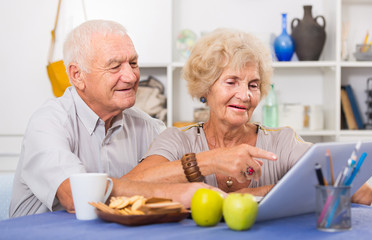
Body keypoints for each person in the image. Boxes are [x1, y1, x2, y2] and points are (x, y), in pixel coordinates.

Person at [126, 28, 372, 205]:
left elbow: (362, 192)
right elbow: (128, 187)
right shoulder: (177, 140)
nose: (244, 95)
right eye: (231, 81)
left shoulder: (282, 142)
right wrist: (210, 161)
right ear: (205, 88)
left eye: (253, 85)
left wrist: (248, 195)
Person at [9, 20, 221, 218]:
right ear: (77, 75)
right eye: (114, 66)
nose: (131, 76)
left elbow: (183, 172)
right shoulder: (47, 122)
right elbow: (76, 196)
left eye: (133, 63)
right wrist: (180, 193)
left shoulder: (146, 125)